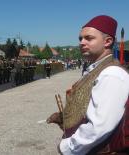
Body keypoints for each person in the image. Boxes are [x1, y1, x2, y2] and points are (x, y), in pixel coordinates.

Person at [46, 15, 129, 154]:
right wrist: (64, 117)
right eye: (80, 38)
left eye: (89, 38)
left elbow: (99, 128)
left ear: (107, 41)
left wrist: (66, 147)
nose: (81, 42)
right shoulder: (97, 69)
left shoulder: (111, 74)